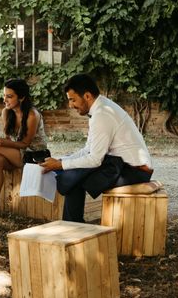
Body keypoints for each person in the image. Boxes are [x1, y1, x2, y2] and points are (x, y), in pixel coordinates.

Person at [41, 73, 153, 223]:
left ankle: (73, 227)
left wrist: (61, 165)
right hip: (122, 165)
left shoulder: (102, 114)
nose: (70, 105)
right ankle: (73, 225)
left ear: (87, 96)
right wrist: (61, 161)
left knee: (73, 179)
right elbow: (88, 148)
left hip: (135, 171)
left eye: (73, 100)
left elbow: (94, 159)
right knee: (72, 174)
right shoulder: (101, 108)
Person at [0, 78, 49, 219]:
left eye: (10, 96)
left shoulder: (32, 115)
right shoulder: (7, 112)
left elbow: (24, 144)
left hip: (34, 155)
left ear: (22, 97)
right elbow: (9, 140)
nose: (5, 100)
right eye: (4, 95)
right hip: (17, 154)